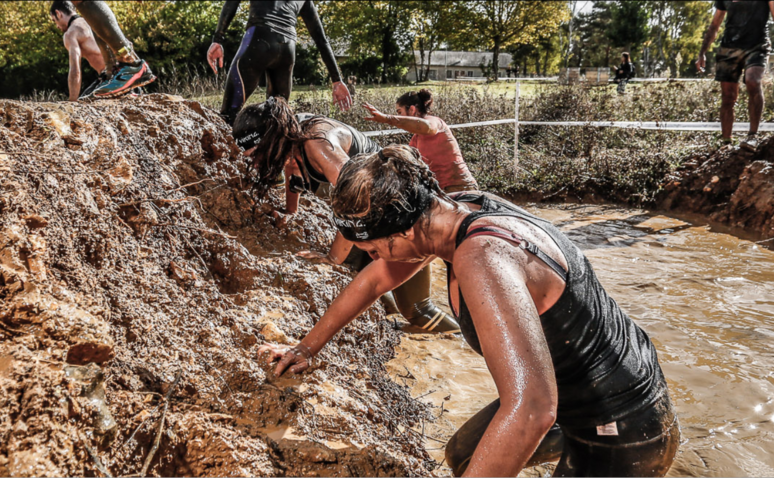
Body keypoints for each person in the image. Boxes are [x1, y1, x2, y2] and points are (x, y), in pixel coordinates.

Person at [259, 145, 679, 476]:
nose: (372, 260)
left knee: (510, 439)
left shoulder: (483, 257)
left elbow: (531, 410)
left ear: (400, 235)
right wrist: (307, 348)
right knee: (465, 456)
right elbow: (376, 280)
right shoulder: (448, 211)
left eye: (369, 250)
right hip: (571, 395)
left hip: (624, 424)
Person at [233, 98, 458, 334]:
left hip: (403, 214)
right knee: (370, 290)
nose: (254, 163)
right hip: (375, 216)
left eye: (255, 154)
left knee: (417, 310)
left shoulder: (316, 144)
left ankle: (460, 343)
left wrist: (332, 258)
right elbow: (292, 167)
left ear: (271, 140)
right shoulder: (289, 135)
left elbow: (357, 203)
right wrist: (291, 210)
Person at [207, 1, 352, 125]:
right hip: (287, 49)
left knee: (228, 116)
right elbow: (321, 40)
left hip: (259, 39)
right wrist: (337, 80)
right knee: (276, 123)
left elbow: (232, 2)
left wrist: (217, 39)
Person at [697, 0, 774, 152]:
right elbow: (715, 24)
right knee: (728, 96)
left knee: (752, 80)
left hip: (757, 45)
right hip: (728, 48)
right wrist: (702, 53)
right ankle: (726, 142)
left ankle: (752, 136)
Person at [360, 89, 480, 194]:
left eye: (399, 112)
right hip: (440, 192)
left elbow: (427, 126)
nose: (399, 116)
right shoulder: (415, 140)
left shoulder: (434, 121)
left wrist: (387, 119)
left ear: (412, 109)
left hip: (460, 189)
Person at [50, 0, 156, 99]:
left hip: (117, 79)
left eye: (54, 20)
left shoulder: (71, 34)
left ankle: (128, 65)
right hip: (120, 79)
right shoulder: (94, 19)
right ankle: (127, 66)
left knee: (84, 104)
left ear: (58, 13)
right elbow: (128, 42)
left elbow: (75, 70)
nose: (57, 26)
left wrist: (72, 101)